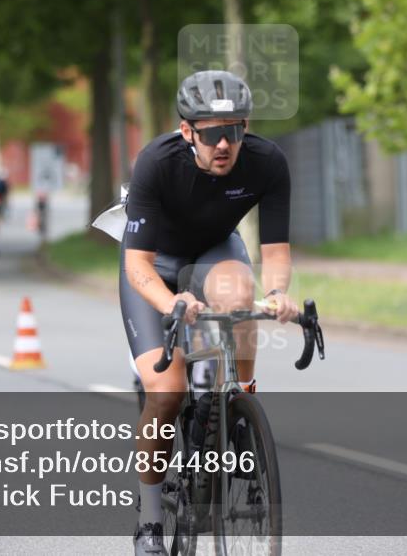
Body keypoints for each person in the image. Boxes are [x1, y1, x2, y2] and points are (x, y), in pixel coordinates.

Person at [121, 70, 299, 555]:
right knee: (168, 392)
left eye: (236, 130)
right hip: (155, 262)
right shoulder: (156, 163)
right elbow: (136, 265)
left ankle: (237, 403)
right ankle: (151, 518)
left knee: (241, 293)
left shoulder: (266, 162)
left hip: (215, 251)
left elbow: (276, 248)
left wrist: (278, 292)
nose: (225, 143)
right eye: (212, 133)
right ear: (187, 132)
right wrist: (171, 301)